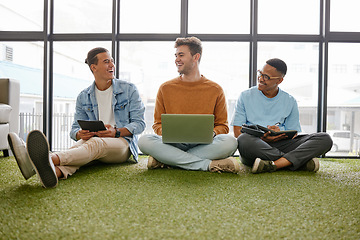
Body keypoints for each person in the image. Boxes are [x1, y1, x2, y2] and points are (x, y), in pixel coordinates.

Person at [8, 47, 145, 188]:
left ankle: (41, 160)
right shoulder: (84, 96)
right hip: (94, 143)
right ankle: (54, 172)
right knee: (78, 151)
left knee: (94, 144)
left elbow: (139, 124)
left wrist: (115, 132)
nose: (112, 65)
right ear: (94, 67)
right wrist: (80, 133)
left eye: (112, 61)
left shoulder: (129, 89)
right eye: (106, 61)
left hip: (122, 145)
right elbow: (74, 130)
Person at [138, 37, 239, 173]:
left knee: (230, 142)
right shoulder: (165, 88)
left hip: (204, 143)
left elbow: (223, 126)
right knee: (144, 140)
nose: (176, 59)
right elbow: (157, 124)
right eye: (176, 55)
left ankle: (166, 160)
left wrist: (212, 133)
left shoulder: (215, 89)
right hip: (173, 144)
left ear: (195, 57)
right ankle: (208, 165)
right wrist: (169, 133)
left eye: (181, 55)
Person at [231, 58, 333, 174]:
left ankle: (274, 164)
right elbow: (237, 132)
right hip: (255, 146)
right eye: (260, 73)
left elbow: (293, 133)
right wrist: (262, 137)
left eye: (266, 77)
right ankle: (295, 162)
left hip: (280, 144)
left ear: (279, 81)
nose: (260, 79)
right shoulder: (245, 96)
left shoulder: (290, 101)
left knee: (324, 138)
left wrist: (279, 134)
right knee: (243, 139)